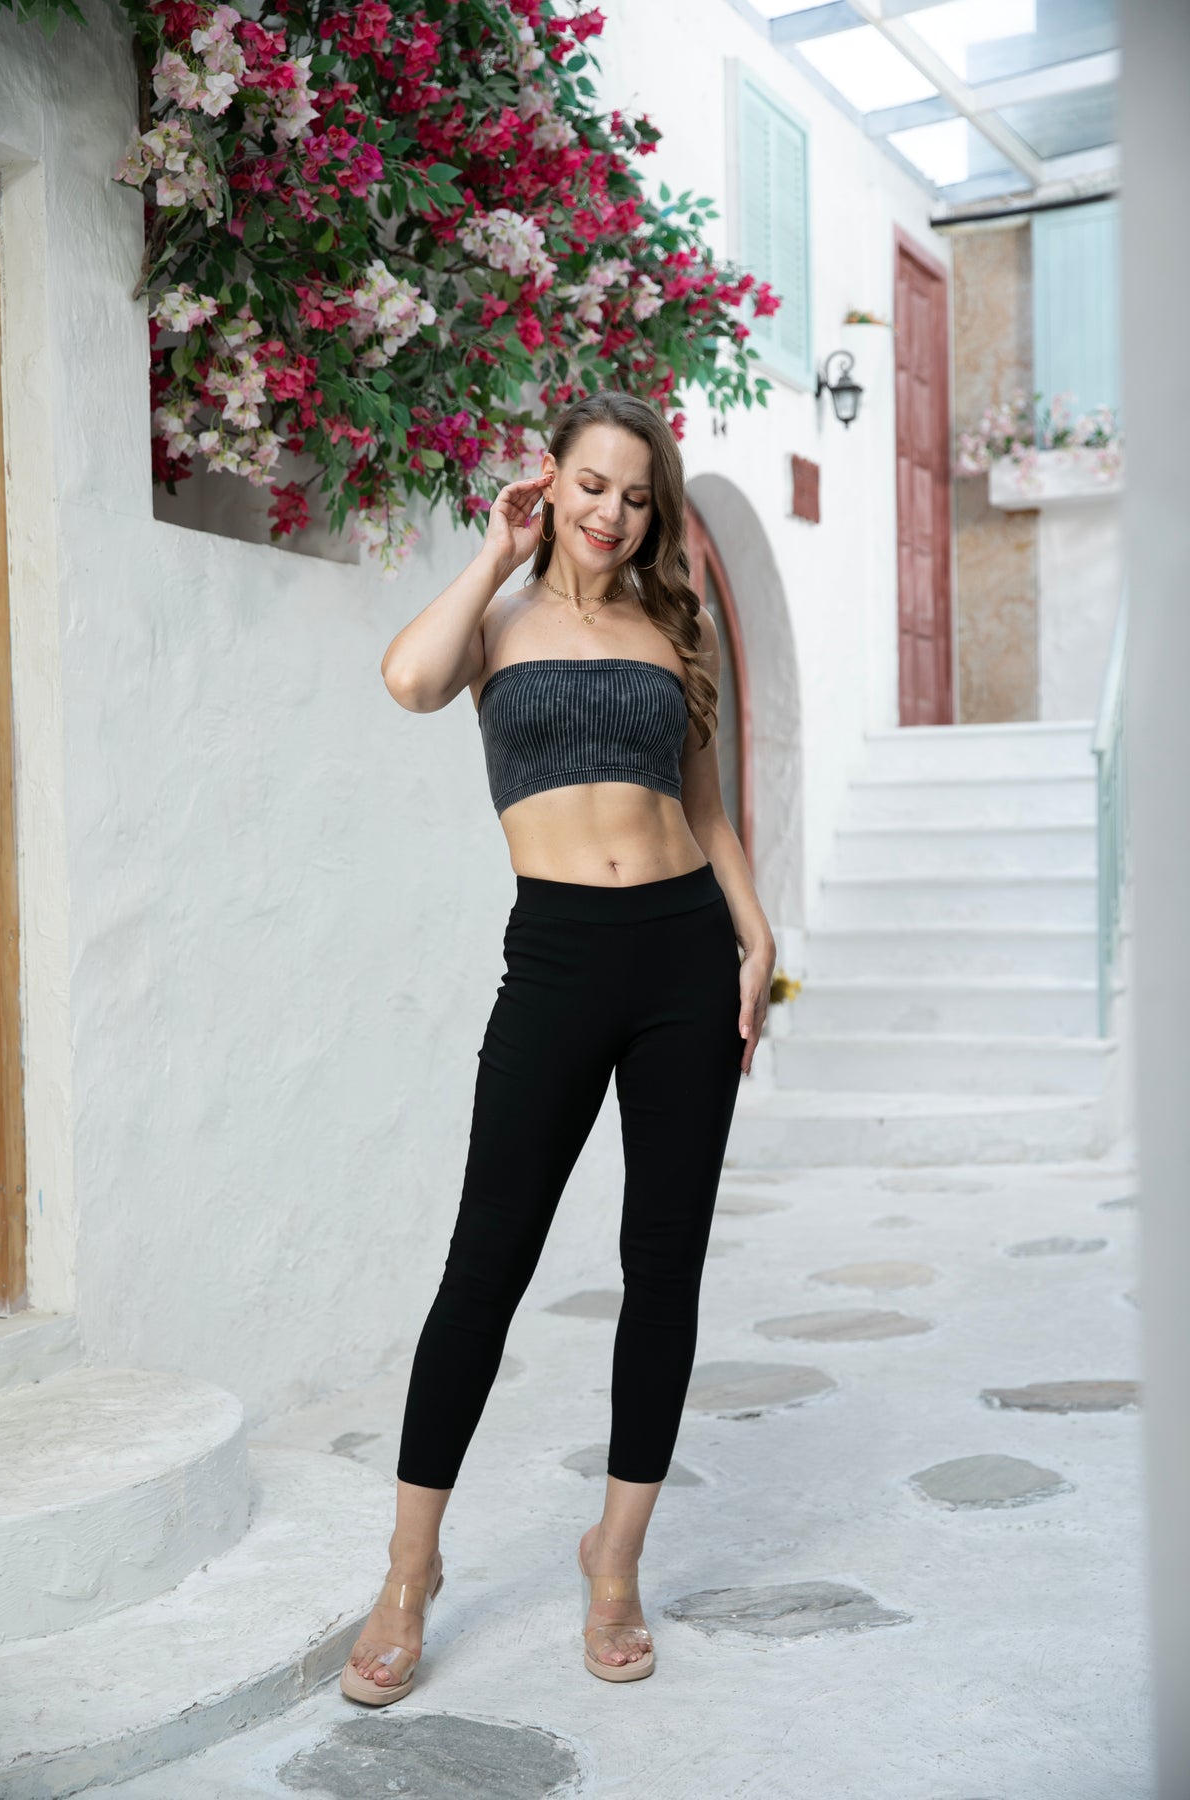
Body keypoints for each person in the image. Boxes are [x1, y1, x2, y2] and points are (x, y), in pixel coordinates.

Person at [341, 389, 776, 1703]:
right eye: (593, 485)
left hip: (685, 955)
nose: (612, 513)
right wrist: (494, 551)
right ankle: (409, 1572)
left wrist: (757, 938)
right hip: (559, 958)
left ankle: (616, 1560)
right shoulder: (496, 623)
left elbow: (704, 807)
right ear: (551, 481)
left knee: (666, 1266)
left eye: (637, 496)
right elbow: (408, 682)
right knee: (486, 1266)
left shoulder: (671, 628)